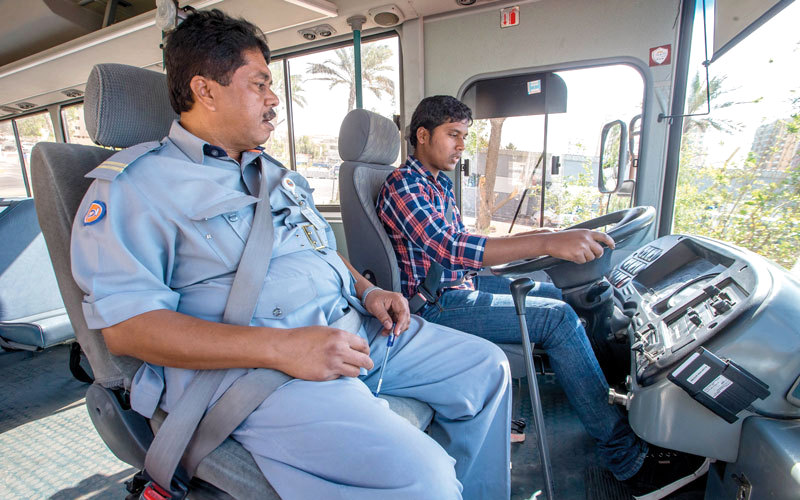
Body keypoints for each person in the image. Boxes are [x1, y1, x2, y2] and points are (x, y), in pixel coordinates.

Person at [70, 12, 511, 500]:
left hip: (354, 329)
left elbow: (318, 248)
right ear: (206, 90)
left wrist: (368, 291)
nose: (274, 98)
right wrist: (283, 348)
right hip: (258, 369)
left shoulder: (276, 174)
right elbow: (128, 329)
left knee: (488, 369)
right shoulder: (135, 187)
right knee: (423, 478)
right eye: (259, 84)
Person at [377, 95, 710, 498]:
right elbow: (450, 248)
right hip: (436, 305)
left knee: (563, 296)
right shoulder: (403, 186)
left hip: (462, 284)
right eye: (453, 135)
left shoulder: (437, 185)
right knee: (558, 319)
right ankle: (628, 459)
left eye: (464, 136)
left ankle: (611, 405)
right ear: (423, 135)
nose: (461, 145)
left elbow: (469, 243)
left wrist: (549, 239)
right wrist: (550, 242)